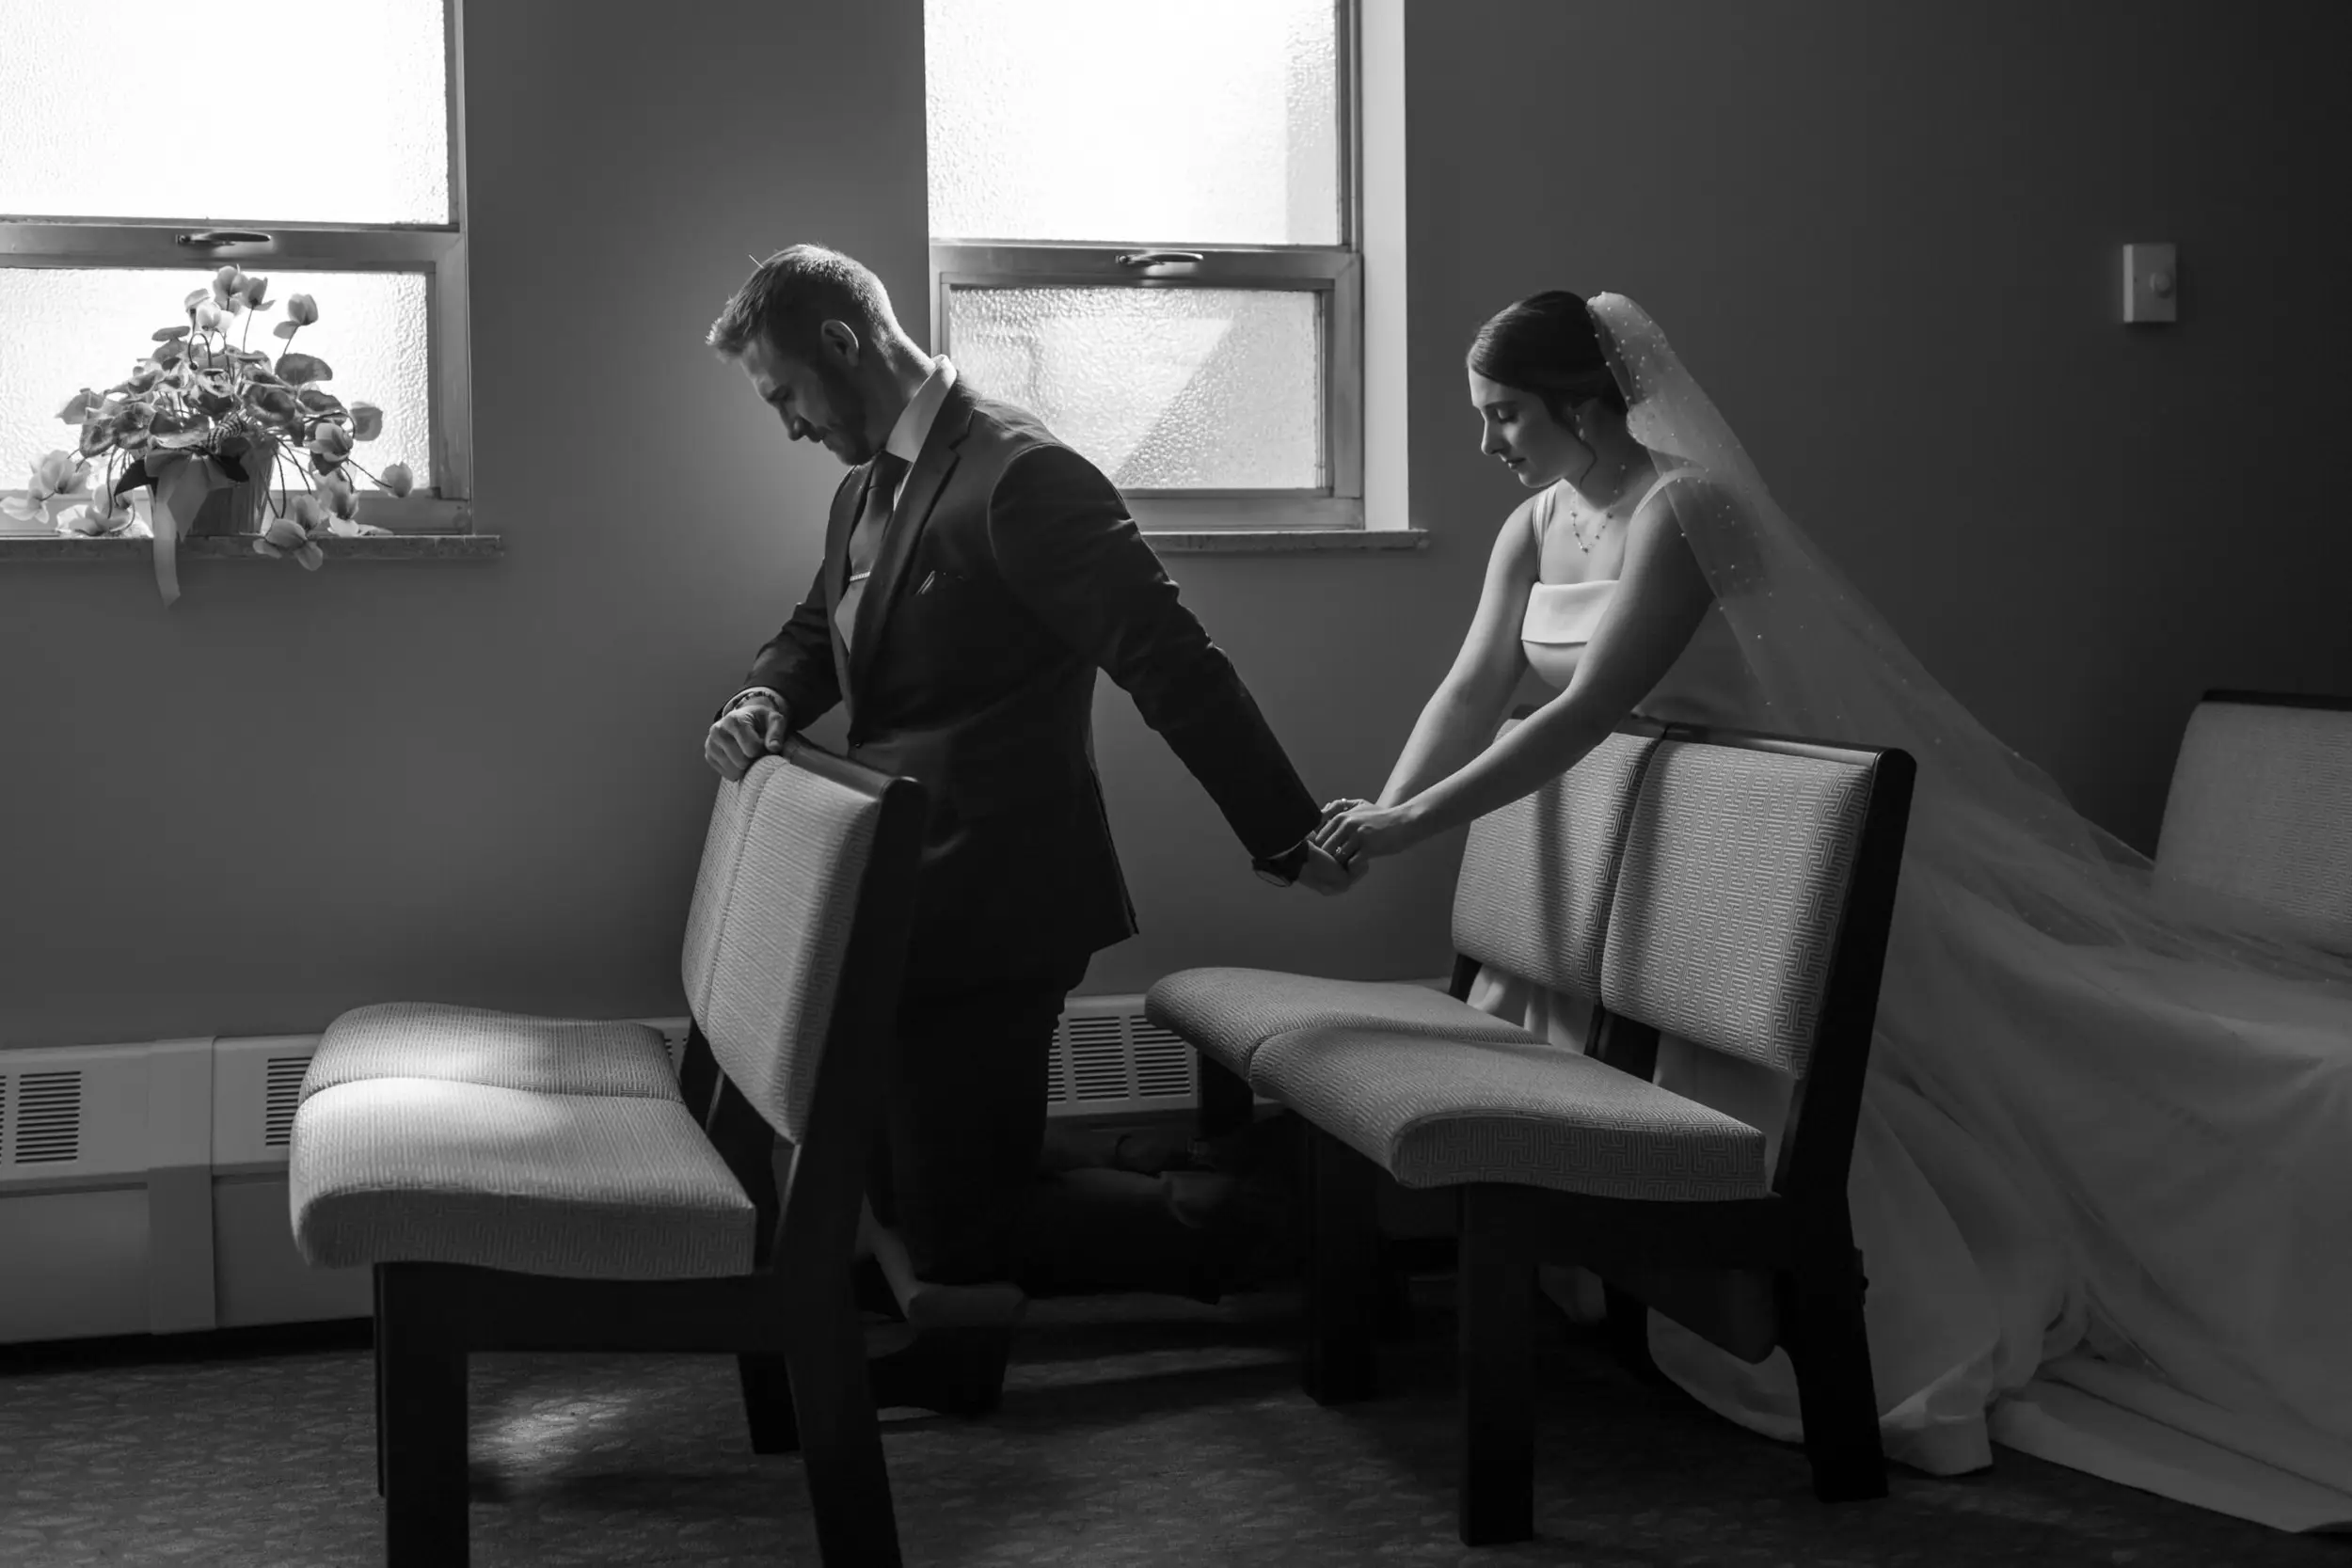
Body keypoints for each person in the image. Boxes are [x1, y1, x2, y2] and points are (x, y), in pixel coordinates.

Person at [1312, 290, 2352, 1528]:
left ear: (1585, 405)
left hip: (1750, 841)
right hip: (1635, 838)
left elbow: (1589, 706)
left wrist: (1410, 826)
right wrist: (1376, 814)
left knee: (2000, 1053)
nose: (1488, 442)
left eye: (1504, 415)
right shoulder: (1533, 522)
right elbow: (1476, 683)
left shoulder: (1687, 508)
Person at [702, 245, 1354, 1411]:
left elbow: (1171, 662)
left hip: (999, 893)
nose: (788, 425)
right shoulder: (864, 487)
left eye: (783, 394)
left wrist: (1286, 833)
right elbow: (817, 629)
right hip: (900, 888)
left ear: (842, 346)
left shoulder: (1021, 475)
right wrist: (764, 697)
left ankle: (1295, 1224)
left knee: (965, 1207)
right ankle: (1060, 1241)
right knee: (909, 1184)